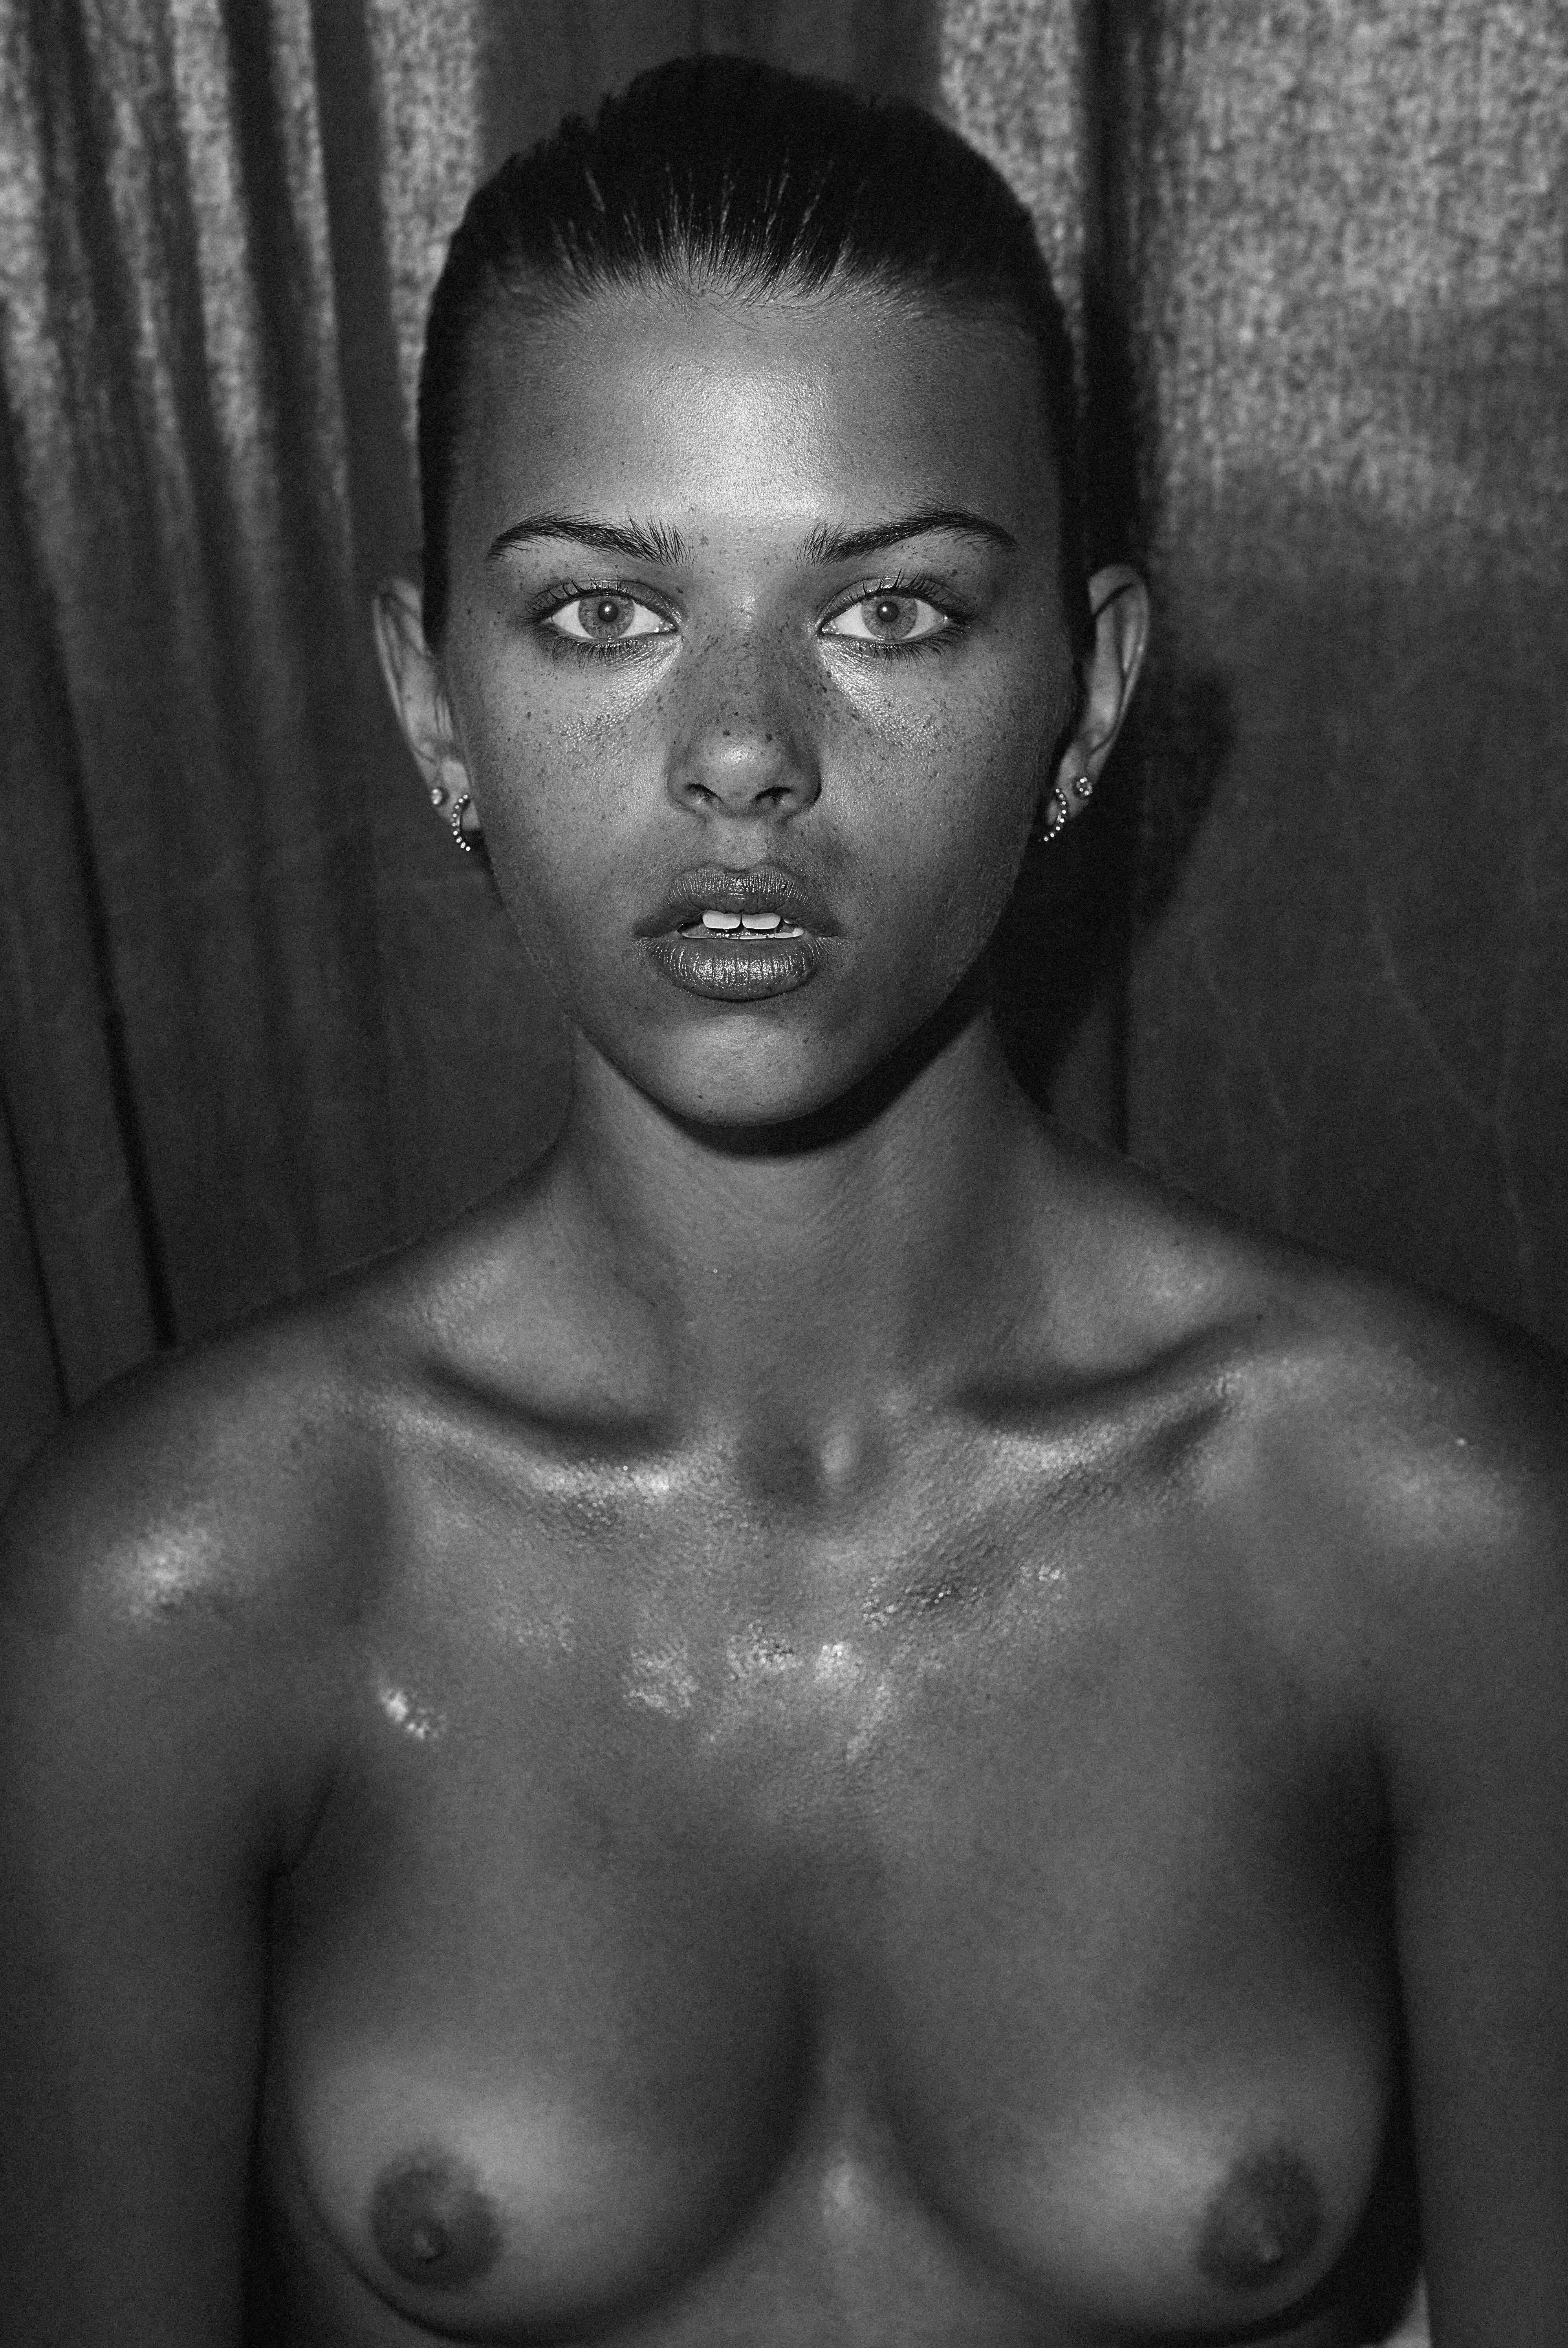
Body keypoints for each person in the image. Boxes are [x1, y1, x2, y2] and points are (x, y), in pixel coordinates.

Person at [1, 53, 1563, 2348]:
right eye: (602, 615)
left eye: (892, 612)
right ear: (432, 702)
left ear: (1089, 698)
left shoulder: (1433, 1533)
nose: (742, 750)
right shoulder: (183, 1588)